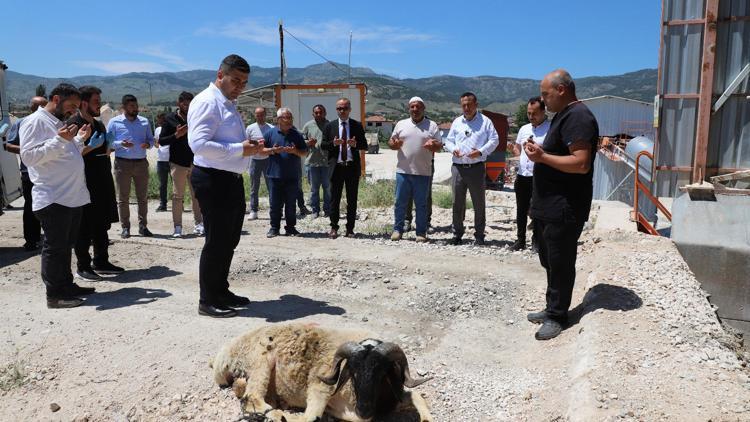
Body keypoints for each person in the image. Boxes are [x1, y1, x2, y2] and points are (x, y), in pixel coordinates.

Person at [524, 69, 598, 340]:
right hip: (549, 205)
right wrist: (540, 154)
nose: (543, 100)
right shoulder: (563, 116)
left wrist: (542, 158)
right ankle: (552, 307)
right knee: (549, 260)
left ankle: (558, 316)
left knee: (560, 260)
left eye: (546, 94)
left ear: (561, 90)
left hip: (564, 206)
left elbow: (581, 163)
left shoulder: (578, 117)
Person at [188, 54, 264, 318]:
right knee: (216, 240)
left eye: (244, 82)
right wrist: (238, 148)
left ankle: (220, 290)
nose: (240, 86)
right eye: (236, 80)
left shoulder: (228, 103)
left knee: (229, 239)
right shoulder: (208, 102)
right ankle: (207, 300)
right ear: (220, 75)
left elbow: (230, 144)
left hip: (229, 179)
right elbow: (198, 144)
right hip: (212, 178)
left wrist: (250, 149)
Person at [19, 83, 95, 308]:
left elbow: (64, 155)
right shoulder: (35, 122)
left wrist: (78, 140)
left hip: (71, 196)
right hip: (53, 198)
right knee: (54, 248)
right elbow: (29, 157)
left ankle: (67, 285)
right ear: (55, 98)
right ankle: (54, 294)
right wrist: (60, 140)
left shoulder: (59, 122)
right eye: (70, 105)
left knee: (66, 246)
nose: (73, 110)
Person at [69, 86, 123, 281]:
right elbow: (68, 155)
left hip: (102, 180)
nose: (99, 105)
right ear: (84, 103)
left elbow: (104, 152)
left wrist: (109, 146)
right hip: (83, 182)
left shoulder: (99, 125)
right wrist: (90, 146)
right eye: (95, 102)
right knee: (84, 226)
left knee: (102, 223)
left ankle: (101, 261)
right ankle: (83, 265)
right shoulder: (74, 124)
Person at [443, 92, 499, 246]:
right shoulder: (457, 122)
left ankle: (479, 236)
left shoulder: (485, 122)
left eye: (469, 104)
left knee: (478, 203)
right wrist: (453, 148)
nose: (466, 108)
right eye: (463, 105)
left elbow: (495, 140)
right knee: (457, 203)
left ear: (476, 105)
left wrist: (480, 151)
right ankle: (457, 235)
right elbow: (448, 141)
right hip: (458, 168)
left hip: (476, 168)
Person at [388, 97, 442, 243]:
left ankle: (421, 232)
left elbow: (439, 145)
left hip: (423, 172)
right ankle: (397, 230)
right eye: (412, 107)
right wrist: (395, 144)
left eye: (418, 107)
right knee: (400, 202)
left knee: (422, 204)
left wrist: (433, 145)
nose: (415, 109)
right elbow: (391, 143)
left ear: (423, 108)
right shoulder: (401, 124)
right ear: (409, 109)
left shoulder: (432, 125)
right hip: (403, 171)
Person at [3, 96, 47, 251]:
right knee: (31, 206)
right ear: (32, 108)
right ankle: (31, 240)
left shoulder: (51, 122)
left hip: (49, 173)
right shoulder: (22, 123)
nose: (42, 109)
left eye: (45, 105)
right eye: (39, 106)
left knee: (50, 205)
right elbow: (9, 145)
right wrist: (31, 152)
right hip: (29, 171)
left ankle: (50, 238)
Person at [157, 92, 203, 238]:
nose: (188, 106)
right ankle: (178, 227)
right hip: (178, 163)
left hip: (195, 162)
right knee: (178, 196)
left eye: (190, 103)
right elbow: (162, 141)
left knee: (197, 195)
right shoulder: (170, 119)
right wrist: (176, 136)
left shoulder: (196, 116)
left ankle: (199, 224)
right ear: (179, 104)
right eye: (185, 103)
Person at [108, 94, 154, 238]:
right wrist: (121, 143)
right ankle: (125, 227)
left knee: (142, 198)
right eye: (132, 106)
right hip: (122, 163)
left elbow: (151, 141)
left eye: (136, 106)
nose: (135, 109)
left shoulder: (145, 122)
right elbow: (108, 143)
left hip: (141, 163)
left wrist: (148, 144)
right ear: (124, 107)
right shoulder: (114, 122)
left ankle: (143, 226)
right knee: (123, 198)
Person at [321, 98, 367, 239]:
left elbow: (364, 145)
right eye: (339, 108)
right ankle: (334, 227)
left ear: (350, 109)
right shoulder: (330, 126)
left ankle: (350, 229)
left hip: (352, 168)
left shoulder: (357, 125)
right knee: (334, 199)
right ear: (336, 110)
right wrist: (333, 143)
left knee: (352, 199)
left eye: (345, 108)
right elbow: (323, 145)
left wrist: (355, 144)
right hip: (336, 168)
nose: (342, 111)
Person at [262, 107, 308, 237]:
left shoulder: (296, 134)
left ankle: (290, 228)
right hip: (274, 175)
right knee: (275, 204)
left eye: (290, 118)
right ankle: (274, 228)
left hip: (292, 176)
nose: (289, 120)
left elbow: (304, 152)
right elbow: (260, 150)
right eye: (286, 118)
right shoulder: (270, 133)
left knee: (291, 204)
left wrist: (294, 151)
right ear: (278, 120)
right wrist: (272, 150)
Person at [512, 97, 550, 252]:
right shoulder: (524, 129)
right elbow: (517, 148)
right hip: (523, 174)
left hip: (540, 175)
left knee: (537, 210)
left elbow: (554, 150)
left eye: (534, 113)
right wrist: (514, 151)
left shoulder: (551, 128)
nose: (531, 116)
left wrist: (540, 148)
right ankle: (520, 240)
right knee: (521, 209)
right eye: (528, 113)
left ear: (543, 112)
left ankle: (537, 241)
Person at [301, 104, 330, 218]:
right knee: (314, 189)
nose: (318, 114)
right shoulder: (308, 126)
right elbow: (301, 141)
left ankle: (327, 210)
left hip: (327, 163)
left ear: (325, 113)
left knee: (327, 188)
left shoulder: (330, 125)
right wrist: (308, 142)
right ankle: (315, 210)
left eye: (321, 112)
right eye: (316, 112)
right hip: (312, 162)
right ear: (313, 114)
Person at [245, 107, 274, 221]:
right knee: (254, 187)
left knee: (271, 186)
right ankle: (254, 210)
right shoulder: (250, 128)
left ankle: (273, 209)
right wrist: (254, 144)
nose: (260, 117)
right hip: (254, 160)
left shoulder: (271, 128)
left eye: (262, 115)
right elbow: (246, 142)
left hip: (268, 160)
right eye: (257, 115)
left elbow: (273, 143)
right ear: (255, 116)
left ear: (265, 115)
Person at [154, 113, 169, 212]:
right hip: (161, 159)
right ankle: (163, 204)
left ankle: (180, 204)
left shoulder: (171, 128)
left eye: (162, 119)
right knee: (162, 184)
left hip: (172, 160)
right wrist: (157, 145)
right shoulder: (157, 130)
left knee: (176, 184)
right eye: (159, 120)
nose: (160, 121)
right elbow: (156, 142)